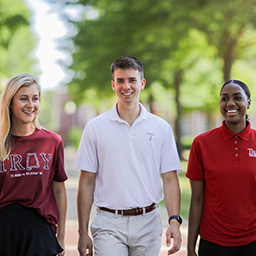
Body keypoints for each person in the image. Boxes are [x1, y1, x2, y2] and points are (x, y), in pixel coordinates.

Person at [75, 56, 182, 256]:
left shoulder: (160, 128)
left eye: (132, 80)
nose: (126, 86)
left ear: (142, 83)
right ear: (113, 85)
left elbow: (169, 179)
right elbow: (86, 182)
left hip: (148, 221)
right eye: (121, 81)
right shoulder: (95, 128)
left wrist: (174, 221)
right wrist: (82, 232)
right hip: (108, 222)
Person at [0, 73, 68, 256]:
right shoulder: (0, 142)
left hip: (40, 234)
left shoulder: (52, 141)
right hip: (3, 233)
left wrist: (61, 238)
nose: (30, 105)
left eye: (35, 98)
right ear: (10, 103)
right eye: (23, 99)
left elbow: (59, 190)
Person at [186, 79, 256, 256]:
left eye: (237, 97)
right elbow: (197, 199)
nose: (230, 103)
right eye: (224, 98)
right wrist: (190, 248)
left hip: (253, 241)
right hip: (213, 243)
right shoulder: (201, 143)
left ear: (248, 102)